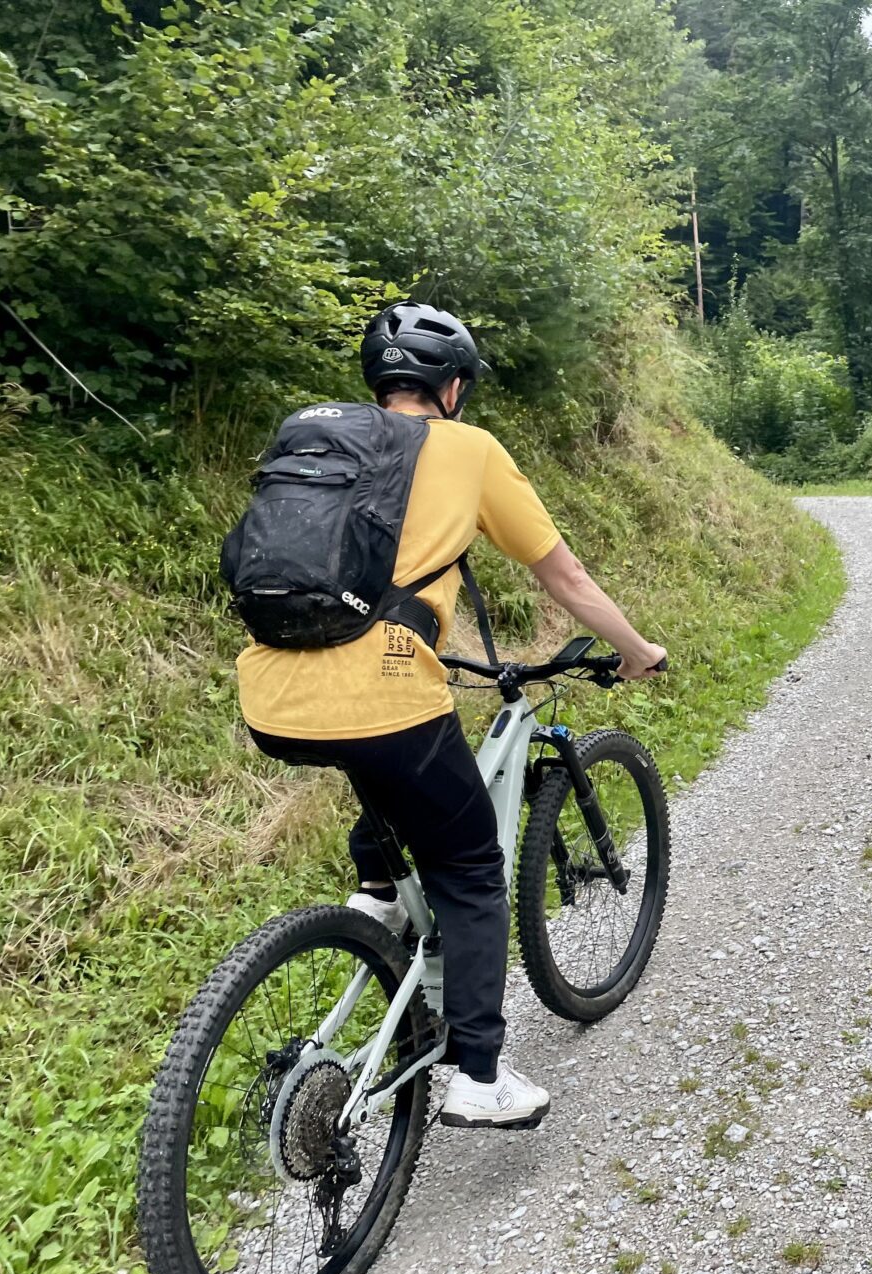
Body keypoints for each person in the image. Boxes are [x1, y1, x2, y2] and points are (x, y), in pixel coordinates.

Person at [235, 301, 666, 1129]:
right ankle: (477, 1073)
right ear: (453, 386)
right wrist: (639, 648)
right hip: (387, 686)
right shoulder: (466, 449)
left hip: (275, 689)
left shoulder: (322, 444)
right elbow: (564, 577)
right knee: (469, 867)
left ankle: (377, 899)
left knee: (392, 782)